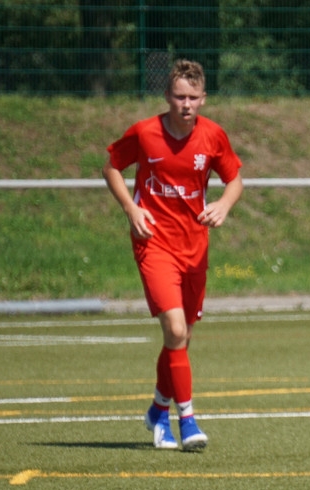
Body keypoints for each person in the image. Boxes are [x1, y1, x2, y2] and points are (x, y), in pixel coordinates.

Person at [102, 59, 244, 451]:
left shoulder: (213, 135)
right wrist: (131, 209)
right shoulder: (145, 133)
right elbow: (111, 167)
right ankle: (187, 421)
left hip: (194, 247)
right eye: (179, 96)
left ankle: (157, 410)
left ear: (203, 99)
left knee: (181, 337)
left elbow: (235, 179)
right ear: (167, 96)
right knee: (177, 331)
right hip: (154, 243)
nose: (186, 104)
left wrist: (224, 204)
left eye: (193, 97)